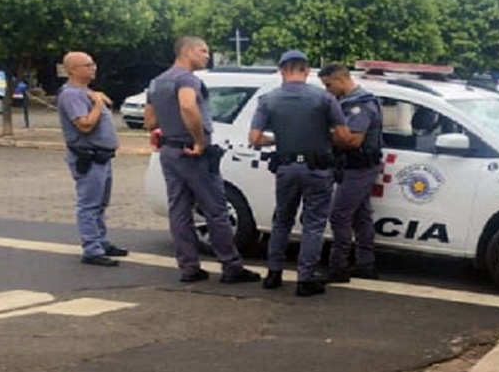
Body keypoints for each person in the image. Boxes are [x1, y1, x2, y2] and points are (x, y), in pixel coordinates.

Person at [144, 36, 261, 284]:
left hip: (169, 151)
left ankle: (189, 267)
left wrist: (170, 125)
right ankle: (231, 266)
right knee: (216, 210)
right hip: (193, 153)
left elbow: (150, 122)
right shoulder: (187, 79)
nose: (207, 55)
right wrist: (198, 140)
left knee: (179, 210)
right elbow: (188, 106)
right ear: (187, 51)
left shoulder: (157, 82)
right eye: (203, 50)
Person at [249, 50, 349, 297]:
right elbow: (344, 136)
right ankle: (305, 279)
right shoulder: (324, 99)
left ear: (281, 70)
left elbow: (254, 139)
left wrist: (279, 138)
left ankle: (273, 274)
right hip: (317, 169)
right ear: (307, 70)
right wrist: (323, 138)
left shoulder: (268, 100)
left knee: (282, 220)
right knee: (313, 224)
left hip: (286, 168)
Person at [57, 51, 128, 267]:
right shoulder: (71, 95)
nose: (93, 68)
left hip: (103, 156)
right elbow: (84, 125)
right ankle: (91, 249)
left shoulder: (85, 91)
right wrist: (98, 103)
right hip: (89, 157)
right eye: (87, 65)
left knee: (100, 203)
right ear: (72, 70)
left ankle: (101, 241)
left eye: (93, 64)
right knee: (89, 204)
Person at [318, 64, 383, 283]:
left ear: (340, 80)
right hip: (356, 166)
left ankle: (338, 267)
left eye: (328, 85)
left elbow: (352, 141)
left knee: (339, 215)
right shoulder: (352, 101)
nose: (327, 91)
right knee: (360, 215)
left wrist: (323, 135)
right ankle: (366, 263)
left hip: (358, 166)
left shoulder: (359, 105)